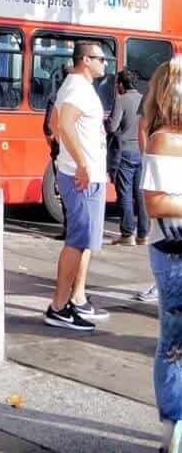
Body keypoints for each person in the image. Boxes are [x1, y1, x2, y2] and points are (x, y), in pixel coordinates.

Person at [43, 39, 110, 331]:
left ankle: (75, 299)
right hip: (81, 177)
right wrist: (82, 163)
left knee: (84, 241)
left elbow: (59, 125)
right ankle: (58, 307)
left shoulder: (79, 87)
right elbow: (62, 126)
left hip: (90, 176)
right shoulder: (76, 88)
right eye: (101, 58)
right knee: (77, 240)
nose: (105, 62)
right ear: (86, 60)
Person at [140, 57, 182, 453]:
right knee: (175, 343)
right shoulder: (165, 139)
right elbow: (156, 204)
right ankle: (174, 431)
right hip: (175, 255)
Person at [106, 69, 149, 246]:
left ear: (121, 85)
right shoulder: (144, 100)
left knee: (124, 194)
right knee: (140, 195)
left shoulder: (121, 100)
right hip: (141, 151)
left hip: (124, 153)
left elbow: (112, 126)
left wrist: (105, 122)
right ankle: (143, 235)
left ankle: (127, 234)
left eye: (117, 83)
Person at [43, 64, 70, 239]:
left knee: (65, 190)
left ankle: (68, 229)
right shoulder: (86, 97)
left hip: (60, 150)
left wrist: (52, 143)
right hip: (77, 150)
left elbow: (47, 126)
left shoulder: (56, 97)